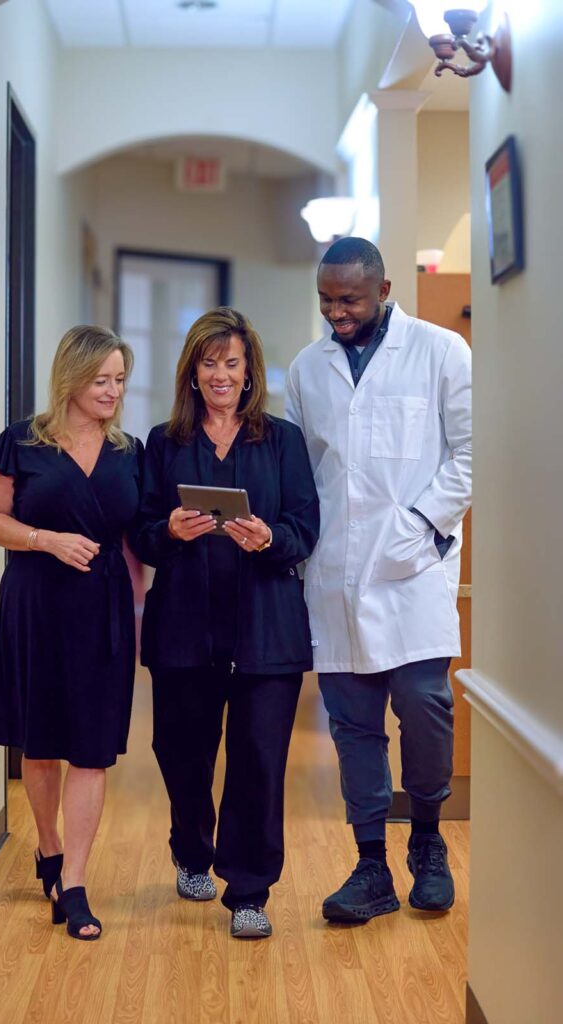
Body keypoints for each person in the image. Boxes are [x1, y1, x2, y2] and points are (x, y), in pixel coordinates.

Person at [285, 237, 471, 923]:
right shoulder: (307, 369)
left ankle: (425, 839)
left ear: (384, 289)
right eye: (326, 300)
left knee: (425, 706)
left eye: (349, 300)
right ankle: (370, 867)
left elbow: (471, 454)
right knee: (352, 725)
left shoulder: (441, 351)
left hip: (413, 565)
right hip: (333, 570)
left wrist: (420, 524)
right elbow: (302, 471)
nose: (336, 312)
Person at [131, 307, 319, 939]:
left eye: (231, 364)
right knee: (180, 751)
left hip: (267, 630)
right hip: (185, 628)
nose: (220, 374)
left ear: (249, 373)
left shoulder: (283, 441)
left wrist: (269, 536)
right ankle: (191, 848)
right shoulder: (165, 443)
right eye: (208, 363)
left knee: (259, 758)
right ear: (192, 372)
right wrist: (170, 532)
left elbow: (305, 528)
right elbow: (143, 532)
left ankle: (249, 890)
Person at [0, 325, 142, 941]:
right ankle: (47, 846)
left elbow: (134, 541)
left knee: (93, 749)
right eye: (102, 379)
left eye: (120, 380)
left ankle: (73, 882)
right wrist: (45, 540)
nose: (112, 391)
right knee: (41, 745)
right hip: (36, 604)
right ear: (72, 377)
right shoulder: (21, 441)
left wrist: (143, 611)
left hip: (103, 610)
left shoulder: (131, 451)